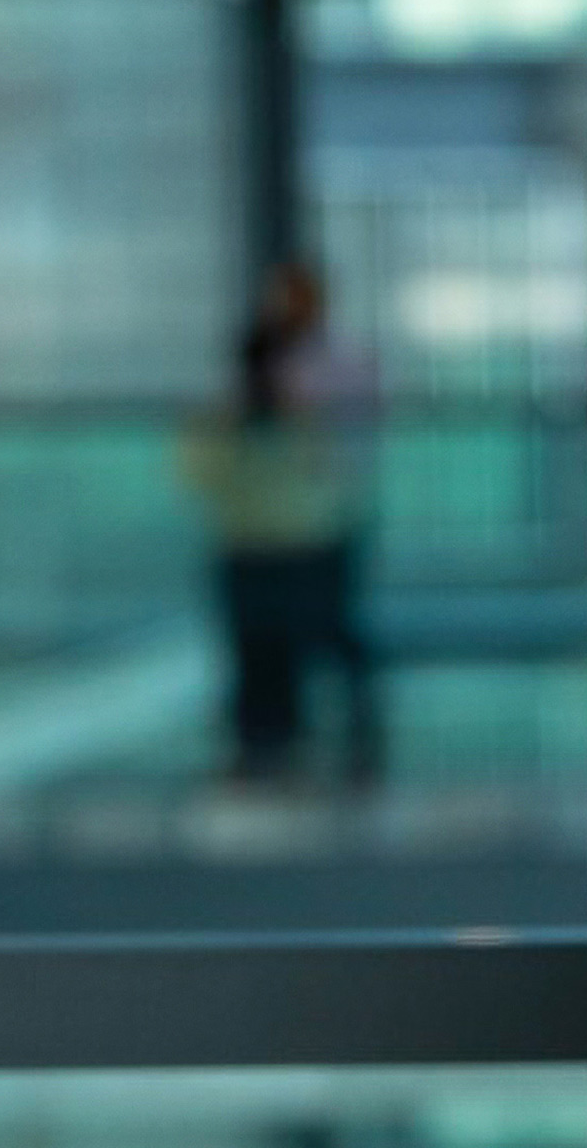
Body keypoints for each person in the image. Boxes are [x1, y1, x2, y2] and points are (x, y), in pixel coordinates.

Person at [182, 263, 385, 784]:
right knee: (259, 649)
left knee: (324, 637)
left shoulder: (332, 371)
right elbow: (202, 469)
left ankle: (349, 735)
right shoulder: (237, 403)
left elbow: (347, 458)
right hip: (257, 539)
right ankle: (268, 743)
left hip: (309, 537)